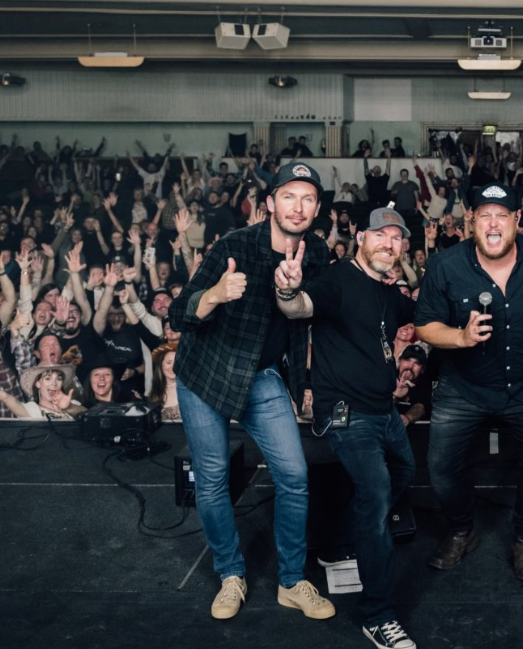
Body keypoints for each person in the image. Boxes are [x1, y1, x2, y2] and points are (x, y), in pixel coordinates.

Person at [169, 161, 336, 622]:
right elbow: (180, 313)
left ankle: (290, 582)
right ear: (270, 203)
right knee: (212, 476)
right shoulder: (235, 245)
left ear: (317, 208)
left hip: (261, 376)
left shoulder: (318, 253)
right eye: (288, 196)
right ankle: (229, 574)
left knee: (295, 476)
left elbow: (315, 313)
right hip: (206, 371)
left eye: (307, 199)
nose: (297, 207)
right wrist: (216, 294)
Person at [273, 207, 418, 649]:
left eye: (397, 239)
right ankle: (378, 615)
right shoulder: (337, 279)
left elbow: (414, 315)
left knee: (404, 472)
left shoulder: (387, 291)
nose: (388, 244)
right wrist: (288, 289)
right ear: (360, 237)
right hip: (345, 412)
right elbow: (300, 307)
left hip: (383, 412)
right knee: (375, 496)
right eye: (380, 235)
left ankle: (341, 542)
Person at [415, 182, 523, 582]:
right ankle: (462, 530)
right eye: (485, 215)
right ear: (472, 221)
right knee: (441, 469)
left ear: (517, 220)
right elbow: (425, 327)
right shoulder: (445, 265)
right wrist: (460, 338)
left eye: (502, 215)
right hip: (463, 386)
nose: (494, 223)